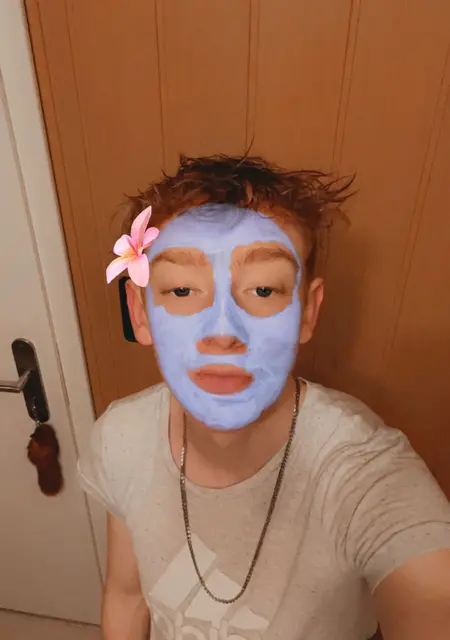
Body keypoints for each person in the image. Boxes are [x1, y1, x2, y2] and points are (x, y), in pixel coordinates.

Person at [78, 155, 450, 640]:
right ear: (141, 312)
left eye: (263, 290)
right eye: (183, 290)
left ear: (307, 312)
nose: (222, 331)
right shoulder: (120, 439)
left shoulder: (363, 471)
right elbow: (127, 598)